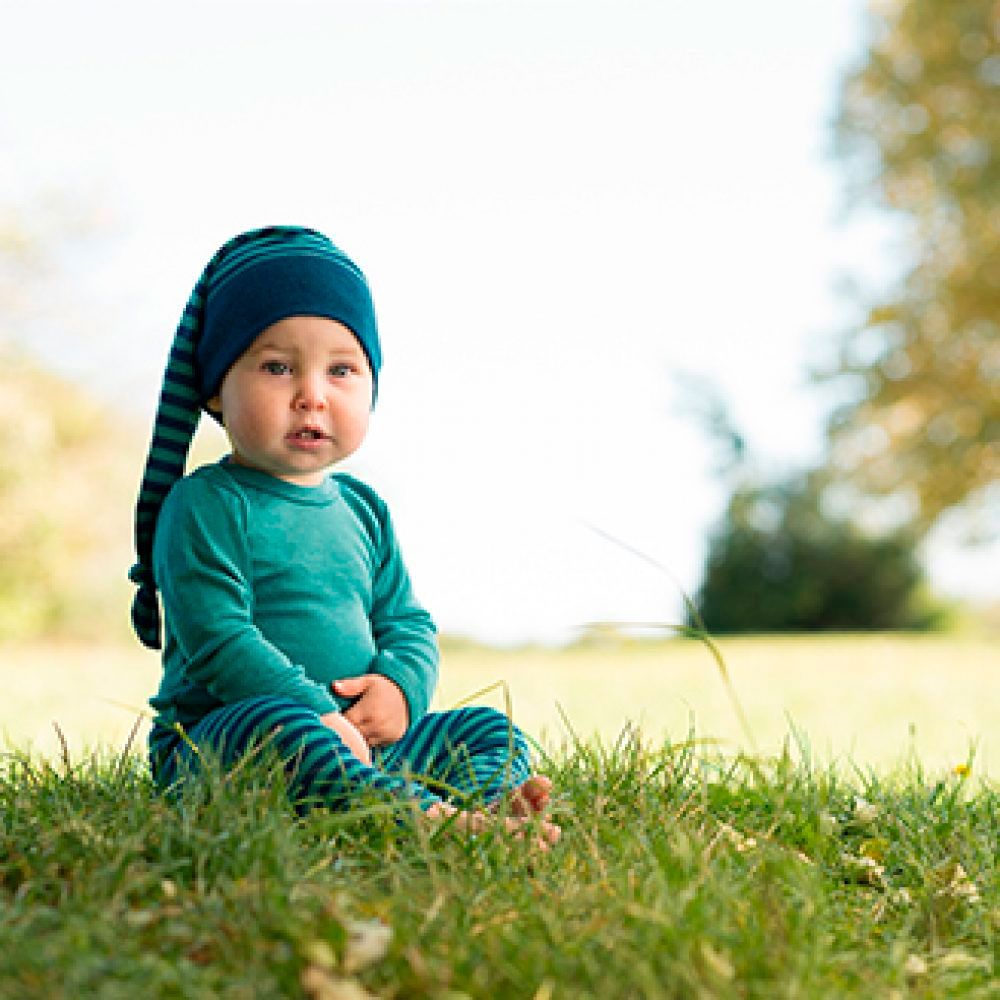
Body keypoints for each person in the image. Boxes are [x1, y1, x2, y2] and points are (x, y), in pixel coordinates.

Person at [130, 226, 559, 848]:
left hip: (365, 736)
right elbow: (218, 640)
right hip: (232, 738)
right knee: (286, 732)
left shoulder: (364, 509)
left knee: (492, 730)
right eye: (277, 367)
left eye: (341, 370)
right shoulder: (204, 505)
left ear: (372, 387)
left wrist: (399, 691)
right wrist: (317, 712)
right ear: (216, 390)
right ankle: (433, 820)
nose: (311, 395)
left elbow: (405, 622)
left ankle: (488, 798)